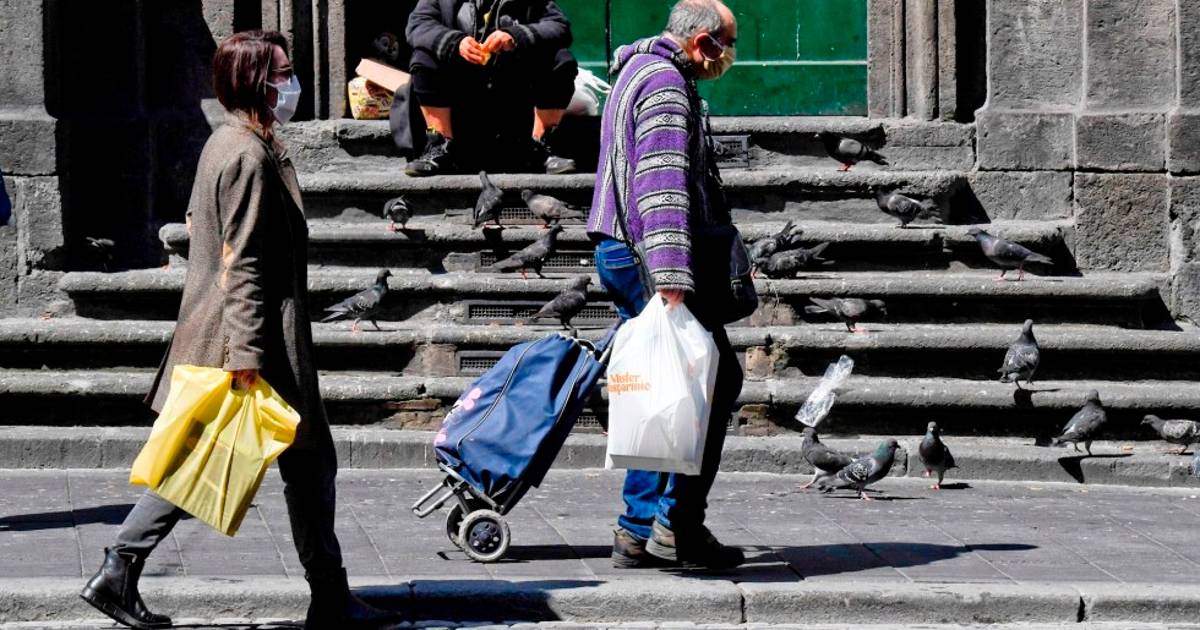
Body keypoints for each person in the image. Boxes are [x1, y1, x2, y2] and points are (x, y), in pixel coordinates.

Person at [79, 31, 398, 630]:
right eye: (283, 73)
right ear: (256, 82)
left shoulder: (228, 141)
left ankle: (328, 595)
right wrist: (245, 355)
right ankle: (120, 567)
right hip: (254, 342)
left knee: (296, 464)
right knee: (215, 462)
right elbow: (241, 262)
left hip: (247, 335)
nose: (291, 83)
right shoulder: (247, 156)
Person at [586, 0, 745, 570]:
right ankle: (676, 526)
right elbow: (660, 184)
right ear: (702, 42)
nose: (729, 56)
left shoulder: (637, 68)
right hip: (647, 255)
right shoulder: (666, 85)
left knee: (663, 383)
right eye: (728, 44)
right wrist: (672, 278)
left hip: (624, 249)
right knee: (712, 379)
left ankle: (638, 529)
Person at [402, 0, 578, 176]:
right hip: (461, 102)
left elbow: (559, 25)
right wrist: (455, 43)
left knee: (559, 58)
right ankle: (440, 146)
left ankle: (541, 145)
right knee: (423, 57)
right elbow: (418, 23)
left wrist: (516, 36)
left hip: (514, 98)